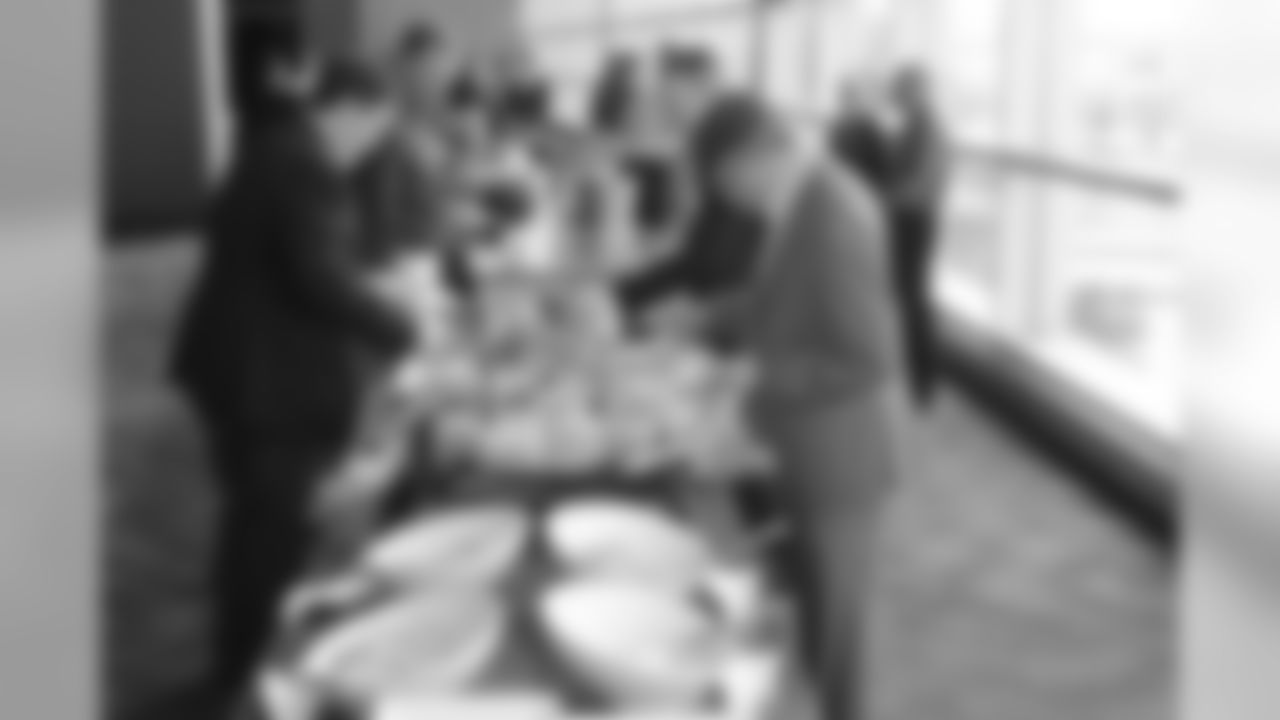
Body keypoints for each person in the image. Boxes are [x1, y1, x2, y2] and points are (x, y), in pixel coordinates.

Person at [169, 59, 415, 706]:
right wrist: (401, 325)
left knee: (250, 521)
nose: (370, 148)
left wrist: (364, 289)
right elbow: (320, 278)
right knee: (268, 531)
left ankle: (235, 659)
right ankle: (246, 676)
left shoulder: (275, 145)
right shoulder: (309, 166)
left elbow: (303, 262)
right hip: (264, 379)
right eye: (375, 130)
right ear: (350, 109)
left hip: (229, 357)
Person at [690, 97, 909, 720]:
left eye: (723, 182)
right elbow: (783, 298)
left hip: (840, 462)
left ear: (752, 157)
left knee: (840, 641)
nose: (726, 200)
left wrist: (757, 373)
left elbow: (867, 358)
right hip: (805, 447)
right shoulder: (802, 197)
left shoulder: (833, 213)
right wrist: (709, 314)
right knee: (813, 615)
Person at [618, 45, 765, 329]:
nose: (667, 107)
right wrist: (622, 296)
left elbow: (737, 269)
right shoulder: (700, 150)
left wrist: (700, 313)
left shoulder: (733, 152)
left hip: (724, 314)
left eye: (672, 95)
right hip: (704, 296)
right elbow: (697, 254)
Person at [885, 65, 950, 406]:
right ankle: (915, 377)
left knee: (912, 299)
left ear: (915, 90)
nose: (893, 97)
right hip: (911, 218)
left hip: (916, 221)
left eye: (898, 90)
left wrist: (881, 200)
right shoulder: (916, 124)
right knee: (908, 297)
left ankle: (921, 382)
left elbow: (919, 184)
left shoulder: (927, 127)